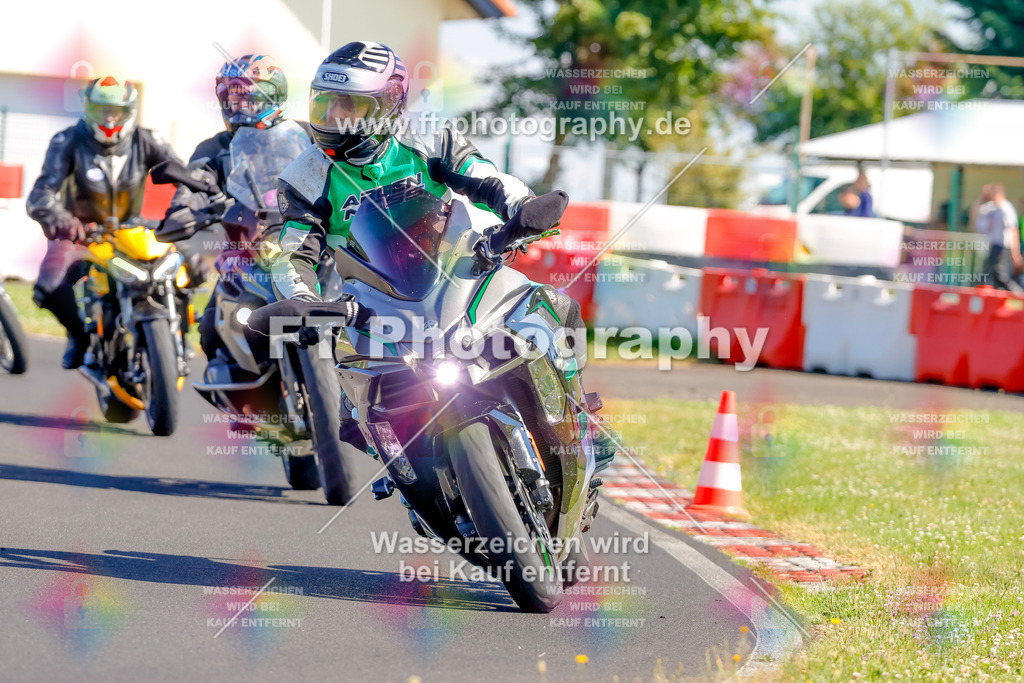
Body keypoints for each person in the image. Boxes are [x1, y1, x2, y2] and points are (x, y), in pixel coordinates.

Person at [270, 41, 580, 336]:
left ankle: (573, 392)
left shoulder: (428, 139)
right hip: (368, 304)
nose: (334, 118)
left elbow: (486, 180)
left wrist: (521, 206)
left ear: (388, 105)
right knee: (355, 386)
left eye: (349, 106)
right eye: (325, 104)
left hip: (453, 278)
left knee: (553, 309)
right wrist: (304, 302)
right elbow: (293, 254)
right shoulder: (303, 176)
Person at [159, 54, 312, 360]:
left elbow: (343, 168)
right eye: (232, 97)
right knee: (211, 335)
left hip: (310, 242)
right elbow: (195, 180)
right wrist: (185, 208)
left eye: (249, 97)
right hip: (245, 254)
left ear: (273, 97)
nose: (239, 105)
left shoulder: (309, 136)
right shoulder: (213, 147)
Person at [27, 76, 185, 368]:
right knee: (48, 287)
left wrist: (188, 206)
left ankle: (180, 337)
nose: (108, 117)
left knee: (189, 272)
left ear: (129, 111)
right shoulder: (67, 140)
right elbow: (41, 194)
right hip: (81, 236)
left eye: (115, 111)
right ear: (88, 108)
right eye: (100, 109)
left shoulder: (148, 139)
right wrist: (62, 218)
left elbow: (184, 178)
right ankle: (79, 336)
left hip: (134, 233)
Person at [975, 183, 1023, 291]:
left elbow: (1013, 230)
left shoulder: (1006, 208)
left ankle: (1018, 294)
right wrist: (981, 197)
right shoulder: (991, 207)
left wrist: (1015, 253)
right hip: (994, 245)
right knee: (995, 274)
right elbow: (975, 214)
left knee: (997, 274)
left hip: (1002, 246)